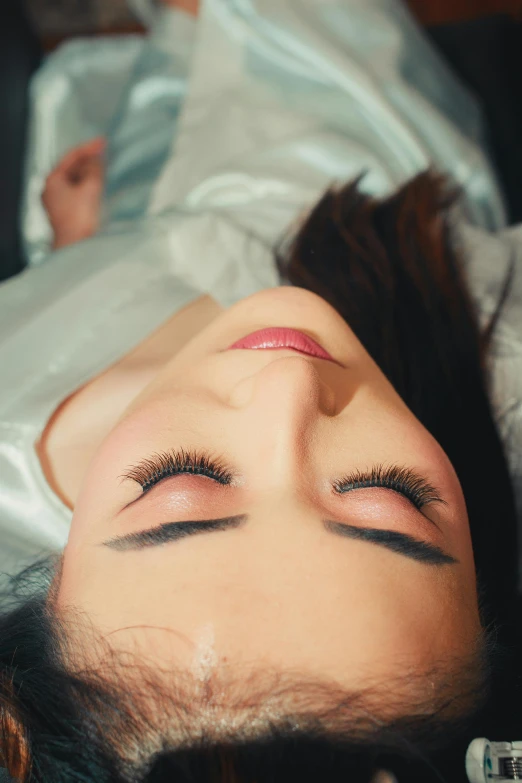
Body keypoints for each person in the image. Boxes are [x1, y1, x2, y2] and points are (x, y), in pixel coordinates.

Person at [0, 0, 521, 781]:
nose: (289, 382)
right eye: (388, 495)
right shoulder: (496, 352)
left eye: (182, 481)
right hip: (333, 116)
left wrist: (76, 255)